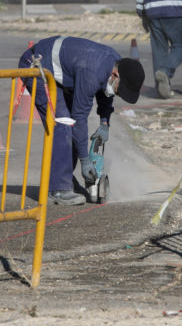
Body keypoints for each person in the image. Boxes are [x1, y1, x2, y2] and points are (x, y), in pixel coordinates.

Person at [18, 37, 145, 205]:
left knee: (70, 125)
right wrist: (85, 161)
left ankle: (64, 180)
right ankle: (58, 188)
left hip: (61, 73)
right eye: (119, 90)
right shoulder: (92, 71)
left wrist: (104, 123)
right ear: (115, 75)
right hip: (37, 66)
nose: (118, 94)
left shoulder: (114, 63)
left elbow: (105, 93)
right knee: (64, 123)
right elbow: (79, 118)